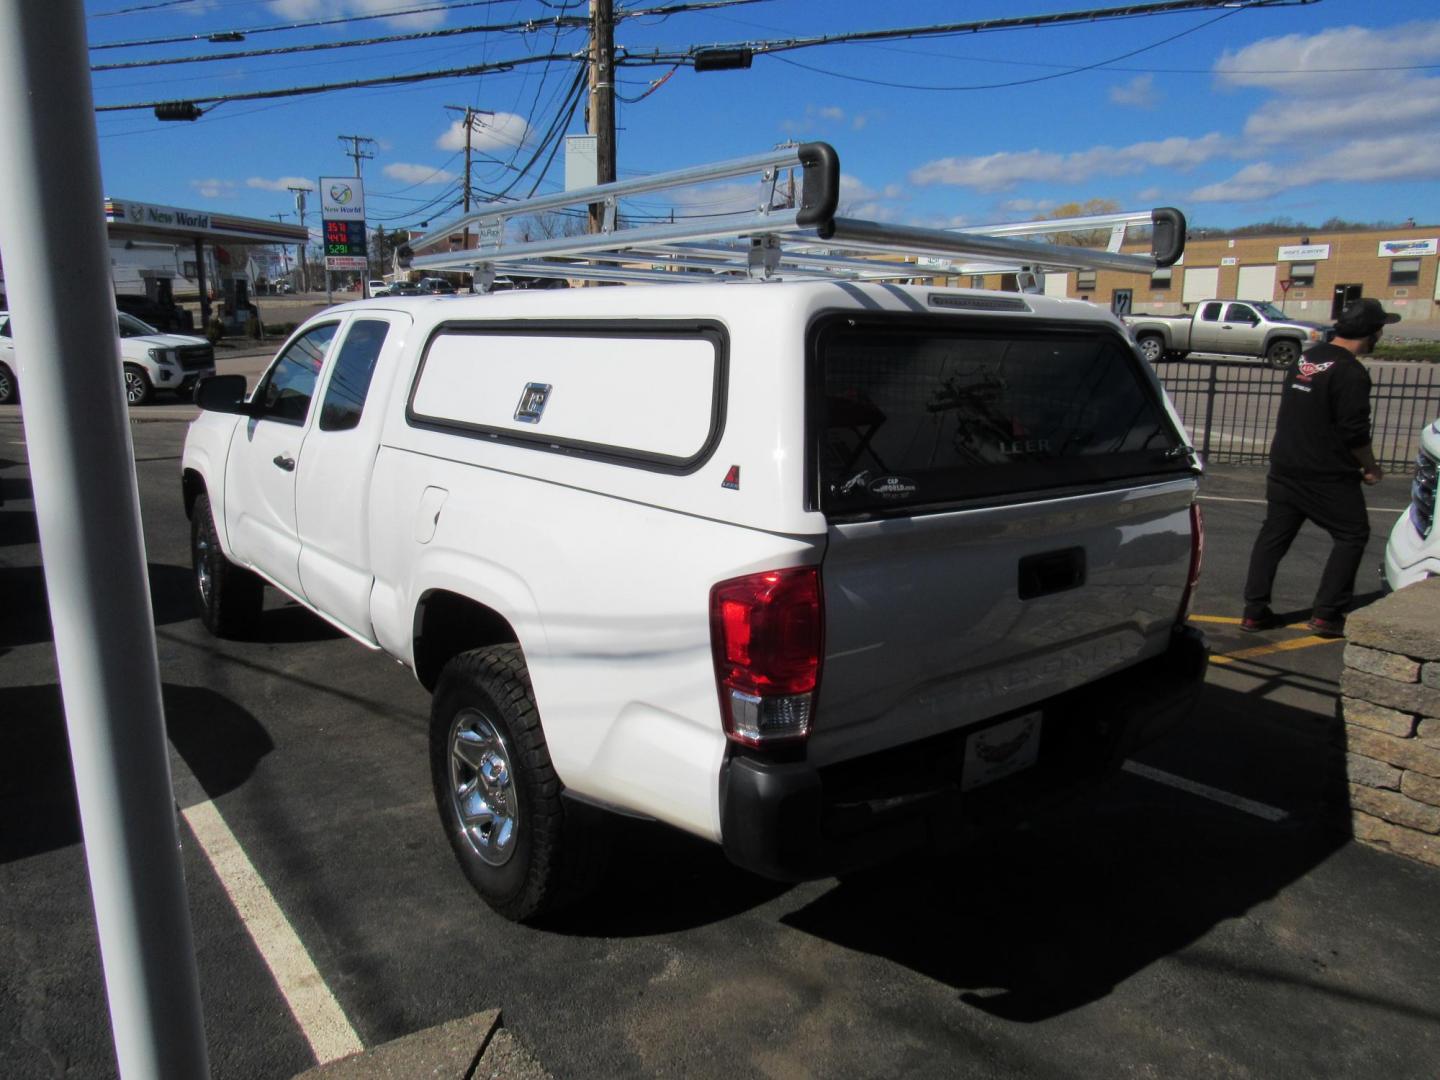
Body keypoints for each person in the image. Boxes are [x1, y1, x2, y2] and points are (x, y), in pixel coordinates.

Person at [1240, 297, 1397, 637]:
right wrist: (1370, 468)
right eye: (1381, 329)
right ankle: (1327, 614)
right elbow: (1354, 431)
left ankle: (1254, 610)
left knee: (1274, 536)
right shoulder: (1350, 372)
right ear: (1372, 332)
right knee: (1352, 534)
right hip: (1326, 475)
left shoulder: (1307, 359)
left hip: (1286, 466)